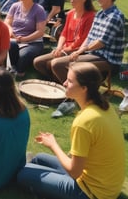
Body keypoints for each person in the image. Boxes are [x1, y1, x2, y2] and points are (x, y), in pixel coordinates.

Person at [17, 62, 125, 199]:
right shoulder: (105, 107)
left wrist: (53, 145)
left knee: (22, 175)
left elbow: (74, 172)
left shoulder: (84, 121)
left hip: (92, 193)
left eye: (70, 81)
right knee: (38, 159)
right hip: (106, 184)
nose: (64, 83)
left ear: (84, 88)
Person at [56, 0, 124, 82]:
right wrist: (79, 51)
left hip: (108, 60)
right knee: (58, 63)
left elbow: (101, 42)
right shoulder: (100, 13)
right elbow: (90, 36)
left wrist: (81, 50)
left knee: (60, 64)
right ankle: (71, 88)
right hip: (93, 54)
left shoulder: (114, 17)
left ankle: (80, 91)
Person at [34, 0, 95, 83]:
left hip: (77, 51)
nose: (71, 1)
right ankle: (55, 81)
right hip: (64, 48)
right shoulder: (70, 13)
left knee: (53, 63)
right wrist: (59, 47)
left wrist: (65, 50)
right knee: (38, 62)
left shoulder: (91, 16)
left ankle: (67, 85)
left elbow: (82, 39)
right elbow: (64, 33)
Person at [4, 0, 46, 77]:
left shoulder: (39, 10)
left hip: (33, 42)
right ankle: (12, 67)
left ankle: (19, 71)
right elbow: (7, 22)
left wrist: (24, 39)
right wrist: (11, 32)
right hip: (15, 39)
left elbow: (40, 31)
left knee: (24, 55)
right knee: (9, 44)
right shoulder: (15, 6)